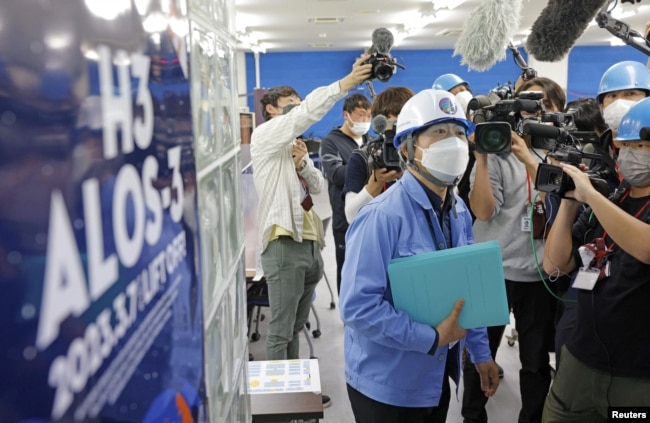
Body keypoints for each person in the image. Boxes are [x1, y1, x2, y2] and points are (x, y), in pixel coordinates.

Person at [340, 88, 499, 423]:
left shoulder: (458, 212)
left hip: (435, 377)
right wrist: (432, 338)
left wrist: (481, 353)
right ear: (407, 147)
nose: (452, 143)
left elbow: (468, 289)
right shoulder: (381, 217)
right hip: (386, 386)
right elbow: (357, 307)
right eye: (438, 132)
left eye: (458, 133)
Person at [250, 55, 371, 407]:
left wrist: (303, 162)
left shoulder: (291, 146)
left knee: (295, 327)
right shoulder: (264, 138)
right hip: (283, 244)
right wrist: (343, 85)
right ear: (271, 110)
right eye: (289, 108)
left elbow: (317, 187)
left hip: (307, 243)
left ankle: (295, 399)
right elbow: (308, 115)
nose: (297, 112)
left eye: (298, 106)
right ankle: (277, 406)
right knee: (280, 330)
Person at [541, 96, 650, 422]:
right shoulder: (614, 197)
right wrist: (571, 202)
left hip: (638, 376)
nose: (633, 153)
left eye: (644, 145)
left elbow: (645, 248)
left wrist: (591, 196)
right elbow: (555, 265)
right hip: (580, 359)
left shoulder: (604, 202)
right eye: (626, 145)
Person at [464, 77, 566, 423]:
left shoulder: (561, 155)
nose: (540, 114)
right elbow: (483, 211)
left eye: (548, 106)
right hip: (491, 270)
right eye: (534, 106)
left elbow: (566, 200)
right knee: (480, 352)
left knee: (535, 360)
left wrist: (532, 158)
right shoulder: (498, 151)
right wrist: (480, 159)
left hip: (537, 271)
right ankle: (473, 416)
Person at [320, 93, 373, 294]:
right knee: (347, 270)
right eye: (361, 115)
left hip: (371, 215)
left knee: (370, 269)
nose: (365, 121)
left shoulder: (371, 140)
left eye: (369, 116)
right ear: (346, 115)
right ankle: (347, 316)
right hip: (345, 219)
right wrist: (363, 162)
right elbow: (337, 175)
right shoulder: (331, 142)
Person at [341, 86, 412, 223]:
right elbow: (351, 215)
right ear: (380, 123)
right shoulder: (363, 157)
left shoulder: (423, 152)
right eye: (389, 118)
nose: (396, 125)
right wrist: (376, 183)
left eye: (402, 117)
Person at [596, 60, 650, 136]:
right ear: (601, 106)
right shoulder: (593, 147)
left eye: (630, 94)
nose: (619, 102)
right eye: (612, 96)